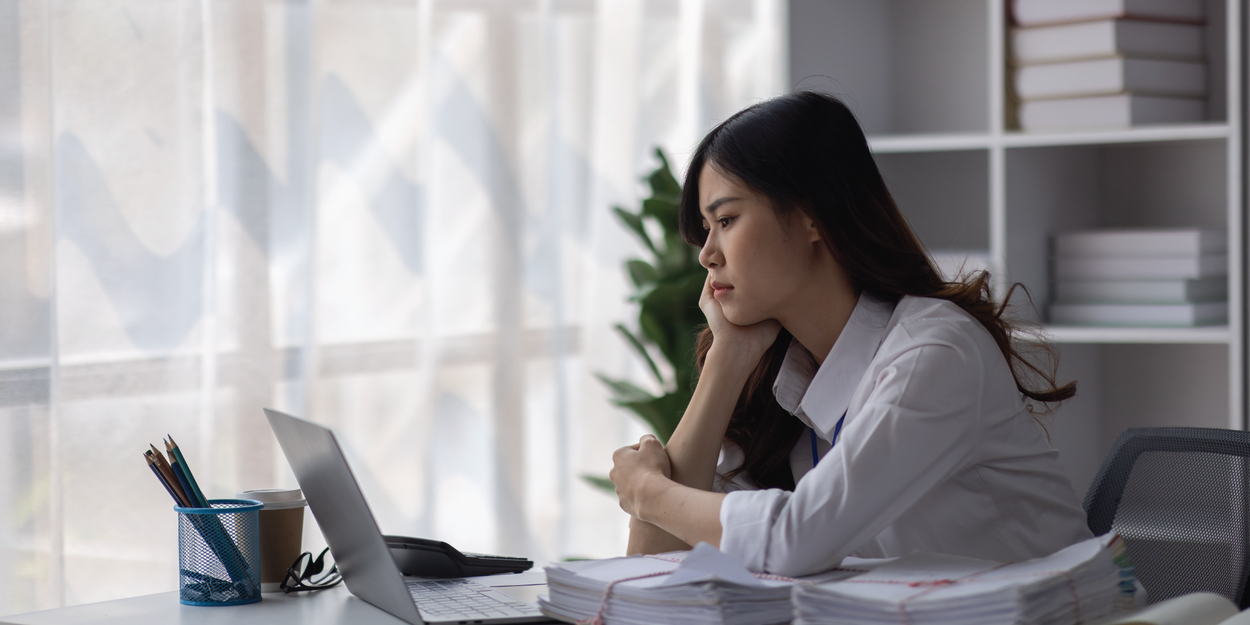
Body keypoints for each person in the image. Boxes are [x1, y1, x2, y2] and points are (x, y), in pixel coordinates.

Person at [607, 91, 1093, 577]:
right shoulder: (783, 371)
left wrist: (647, 490)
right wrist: (727, 361)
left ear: (812, 216)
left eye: (727, 220)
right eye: (707, 228)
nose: (707, 254)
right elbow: (650, 568)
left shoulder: (936, 351)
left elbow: (797, 538)